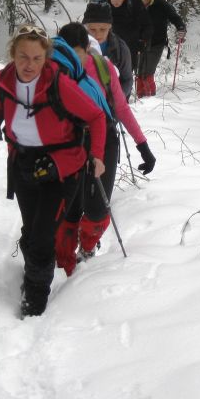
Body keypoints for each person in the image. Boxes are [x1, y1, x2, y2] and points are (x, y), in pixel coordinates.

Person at [0, 24, 106, 318]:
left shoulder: (58, 83)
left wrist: (96, 155)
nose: (29, 65)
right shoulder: (4, 80)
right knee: (32, 232)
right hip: (23, 164)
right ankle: (35, 271)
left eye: (36, 58)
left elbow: (96, 116)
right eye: (23, 57)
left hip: (63, 167)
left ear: (45, 57)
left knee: (43, 235)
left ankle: (34, 301)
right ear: (12, 55)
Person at [52, 23, 156, 275]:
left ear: (87, 48)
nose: (71, 57)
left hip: (104, 138)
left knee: (98, 207)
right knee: (69, 207)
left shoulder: (103, 68)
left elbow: (121, 108)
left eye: (77, 51)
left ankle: (87, 248)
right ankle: (62, 262)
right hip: (69, 143)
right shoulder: (51, 70)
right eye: (66, 50)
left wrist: (142, 145)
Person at [138, 0, 186, 97]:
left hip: (157, 42)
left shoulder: (161, 3)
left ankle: (149, 97)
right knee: (139, 71)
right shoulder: (135, 3)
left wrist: (181, 27)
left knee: (148, 71)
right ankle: (140, 98)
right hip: (139, 42)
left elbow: (174, 16)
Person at [82, 1, 134, 100]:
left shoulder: (120, 49)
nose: (97, 35)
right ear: (86, 27)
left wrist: (116, 99)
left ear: (110, 27)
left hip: (111, 103)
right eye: (92, 29)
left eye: (103, 29)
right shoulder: (76, 45)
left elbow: (127, 79)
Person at [106, 0, 152, 84]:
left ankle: (123, 99)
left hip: (129, 47)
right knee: (108, 78)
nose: (115, 1)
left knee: (124, 79)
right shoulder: (104, 4)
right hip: (109, 46)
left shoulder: (134, 4)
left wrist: (142, 40)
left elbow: (147, 25)